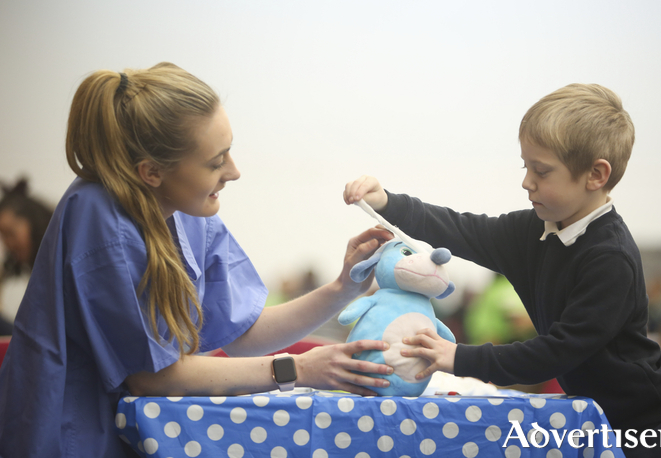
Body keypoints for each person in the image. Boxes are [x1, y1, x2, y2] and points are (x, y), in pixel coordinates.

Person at [0, 62, 394, 458]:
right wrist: (299, 369)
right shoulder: (100, 219)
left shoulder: (187, 210)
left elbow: (243, 331)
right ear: (151, 171)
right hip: (72, 436)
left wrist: (343, 288)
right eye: (215, 161)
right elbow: (152, 378)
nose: (234, 172)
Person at [344, 84, 661, 457]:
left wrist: (459, 357)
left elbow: (558, 351)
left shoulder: (610, 258)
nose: (527, 182)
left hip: (645, 427)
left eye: (541, 171)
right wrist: (388, 203)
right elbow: (461, 228)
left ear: (596, 175)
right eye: (526, 166)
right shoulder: (535, 231)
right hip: (590, 418)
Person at [0, 178, 54, 335]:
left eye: (11, 233)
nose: (8, 244)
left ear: (33, 223)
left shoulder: (57, 263)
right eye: (3, 237)